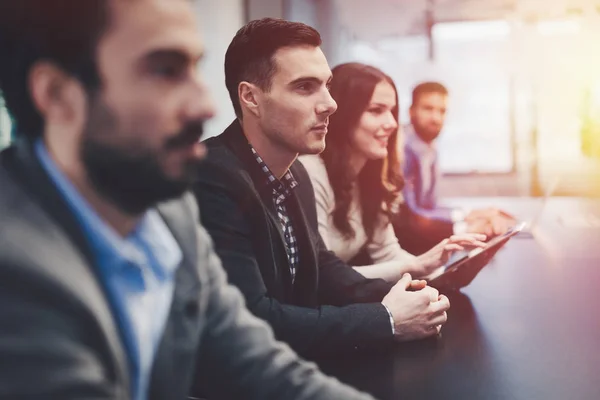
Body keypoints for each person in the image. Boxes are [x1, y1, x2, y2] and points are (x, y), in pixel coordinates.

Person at [0, 2, 379, 399]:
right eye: (165, 71)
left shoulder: (167, 211)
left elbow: (250, 358)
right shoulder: (14, 271)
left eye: (195, 68)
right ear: (57, 95)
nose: (206, 105)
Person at [192, 17, 450, 360]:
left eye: (326, 85)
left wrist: (413, 292)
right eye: (304, 87)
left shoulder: (294, 175)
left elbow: (324, 269)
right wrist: (386, 319)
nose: (330, 103)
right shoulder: (211, 176)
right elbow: (251, 318)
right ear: (250, 98)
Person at [299, 63, 486, 284]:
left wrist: (442, 276)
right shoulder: (310, 173)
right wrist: (417, 266)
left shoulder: (370, 177)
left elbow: (387, 253)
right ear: (343, 114)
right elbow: (323, 278)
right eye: (376, 110)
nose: (392, 123)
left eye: (391, 111)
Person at [397, 81, 516, 254]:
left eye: (442, 111)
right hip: (408, 248)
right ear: (411, 111)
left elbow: (429, 206)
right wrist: (464, 229)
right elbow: (411, 217)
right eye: (428, 109)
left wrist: (468, 214)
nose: (436, 118)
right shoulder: (400, 149)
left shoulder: (430, 148)